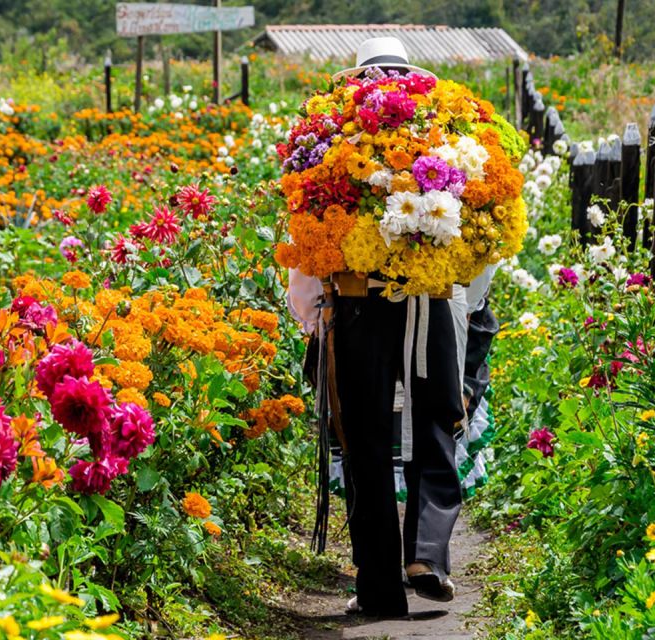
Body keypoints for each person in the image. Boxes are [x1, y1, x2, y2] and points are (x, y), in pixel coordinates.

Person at [288, 37, 472, 619]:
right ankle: (426, 557)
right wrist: (454, 294)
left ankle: (381, 586)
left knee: (364, 439)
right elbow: (477, 244)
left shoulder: (327, 140)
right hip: (426, 302)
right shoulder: (445, 136)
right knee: (436, 423)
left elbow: (305, 238)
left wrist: (315, 313)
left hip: (357, 303)